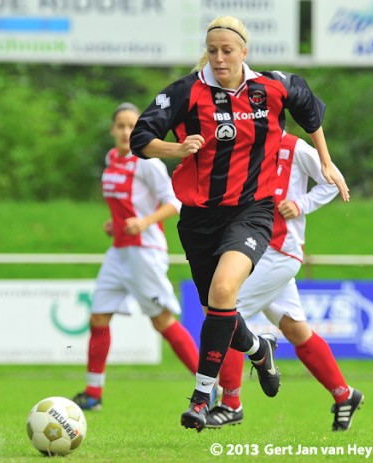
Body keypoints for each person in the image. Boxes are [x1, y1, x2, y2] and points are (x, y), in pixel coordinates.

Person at [130, 16, 350, 432]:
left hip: (251, 212)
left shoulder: (272, 87)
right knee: (219, 308)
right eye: (212, 51)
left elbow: (308, 107)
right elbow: (140, 139)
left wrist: (325, 160)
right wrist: (176, 148)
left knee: (224, 289)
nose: (219, 58)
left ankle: (201, 398)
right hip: (198, 218)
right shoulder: (186, 92)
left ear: (244, 51)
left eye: (227, 50)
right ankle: (258, 349)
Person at [209, 132, 364, 432]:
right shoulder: (244, 142)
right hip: (251, 250)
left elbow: (334, 178)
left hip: (279, 253)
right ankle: (344, 395)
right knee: (296, 330)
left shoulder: (295, 147)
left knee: (224, 312)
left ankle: (230, 404)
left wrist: (301, 203)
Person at [73, 102, 199, 411]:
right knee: (98, 318)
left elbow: (175, 203)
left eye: (132, 126)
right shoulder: (111, 159)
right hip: (119, 252)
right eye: (121, 126)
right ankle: (93, 393)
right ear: (112, 130)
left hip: (145, 252)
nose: (126, 131)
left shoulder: (148, 161)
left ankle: (210, 386)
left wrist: (143, 222)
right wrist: (113, 223)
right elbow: (123, 204)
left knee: (162, 322)